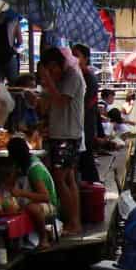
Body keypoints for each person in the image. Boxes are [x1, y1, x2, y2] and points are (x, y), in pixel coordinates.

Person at [36, 47, 84, 233]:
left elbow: (62, 100)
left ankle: (73, 222)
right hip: (62, 134)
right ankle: (74, 221)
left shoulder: (71, 76)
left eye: (51, 69)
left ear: (56, 65)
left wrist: (47, 80)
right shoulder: (62, 78)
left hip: (67, 135)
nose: (51, 73)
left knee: (60, 178)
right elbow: (48, 104)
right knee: (69, 179)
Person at [7, 135, 59, 232]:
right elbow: (9, 184)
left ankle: (43, 238)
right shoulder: (20, 165)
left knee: (32, 208)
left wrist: (22, 193)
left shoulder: (34, 169)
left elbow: (45, 197)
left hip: (48, 204)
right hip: (29, 200)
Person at [71, 43, 101, 184]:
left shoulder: (88, 78)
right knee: (84, 160)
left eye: (76, 55)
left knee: (86, 158)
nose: (73, 58)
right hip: (83, 123)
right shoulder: (80, 76)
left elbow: (86, 104)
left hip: (85, 123)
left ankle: (94, 188)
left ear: (86, 59)